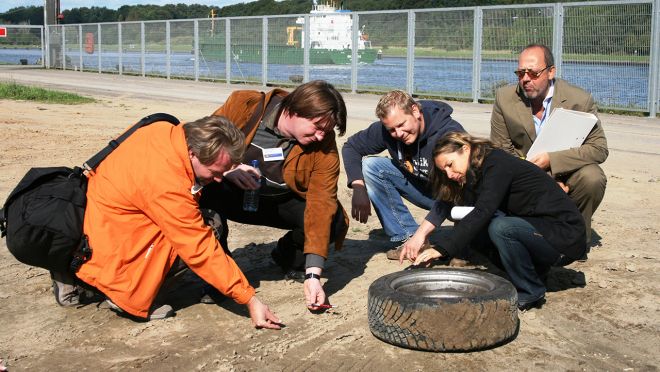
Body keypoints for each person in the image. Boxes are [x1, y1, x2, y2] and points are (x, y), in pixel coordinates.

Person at [75, 115, 282, 328]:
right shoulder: (168, 182)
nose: (219, 178)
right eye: (215, 172)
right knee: (211, 225)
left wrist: (224, 169)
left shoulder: (163, 130)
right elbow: (198, 247)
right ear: (193, 153)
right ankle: (124, 295)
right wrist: (249, 299)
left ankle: (78, 275)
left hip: (92, 224)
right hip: (112, 246)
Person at [199, 80, 349, 311]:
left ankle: (288, 255)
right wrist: (228, 169)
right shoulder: (244, 105)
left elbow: (322, 200)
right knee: (204, 201)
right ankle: (221, 273)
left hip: (279, 201)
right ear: (293, 110)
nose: (321, 136)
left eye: (326, 131)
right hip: (231, 194)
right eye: (317, 127)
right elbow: (202, 147)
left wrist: (313, 276)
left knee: (334, 219)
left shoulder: (324, 144)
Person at [400, 132, 586, 310]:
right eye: (444, 170)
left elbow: (483, 211)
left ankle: (531, 290)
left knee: (501, 227)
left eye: (450, 164)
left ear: (466, 149)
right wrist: (428, 244)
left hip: (564, 236)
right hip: (540, 231)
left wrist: (440, 249)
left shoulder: (497, 163)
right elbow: (447, 204)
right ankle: (535, 274)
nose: (449, 174)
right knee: (476, 231)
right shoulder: (475, 171)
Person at [490, 43, 608, 246]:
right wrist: (545, 181)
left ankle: (575, 239)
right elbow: (501, 150)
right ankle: (528, 233)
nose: (525, 79)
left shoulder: (579, 100)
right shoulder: (504, 98)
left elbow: (599, 148)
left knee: (593, 177)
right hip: (523, 173)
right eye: (520, 73)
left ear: (551, 71)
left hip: (568, 171)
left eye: (533, 73)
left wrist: (552, 161)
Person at [341, 90, 463, 259]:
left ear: (415, 111)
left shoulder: (448, 133)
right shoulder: (387, 131)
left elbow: (459, 186)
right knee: (372, 166)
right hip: (425, 189)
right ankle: (407, 236)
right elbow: (351, 147)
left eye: (401, 125)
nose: (398, 134)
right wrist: (358, 187)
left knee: (466, 244)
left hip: (456, 195)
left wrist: (425, 232)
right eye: (392, 129)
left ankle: (461, 240)